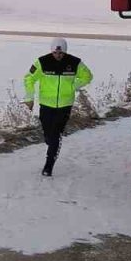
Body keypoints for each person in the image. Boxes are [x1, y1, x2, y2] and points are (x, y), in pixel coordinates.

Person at [23, 37, 93, 177]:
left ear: (65, 52)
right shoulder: (42, 62)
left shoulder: (74, 62)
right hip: (46, 105)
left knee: (55, 135)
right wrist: (29, 98)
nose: (58, 55)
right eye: (56, 53)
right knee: (48, 136)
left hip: (64, 105)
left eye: (61, 53)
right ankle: (52, 143)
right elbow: (28, 78)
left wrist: (74, 86)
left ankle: (48, 166)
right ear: (52, 51)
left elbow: (88, 76)